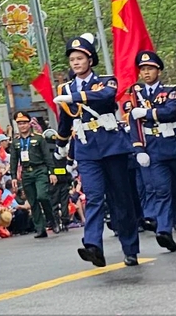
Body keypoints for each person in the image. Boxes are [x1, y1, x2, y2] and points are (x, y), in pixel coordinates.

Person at [51, 34, 141, 268]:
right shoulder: (66, 87)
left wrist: (75, 96)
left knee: (120, 199)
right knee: (93, 197)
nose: (76, 63)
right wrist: (60, 145)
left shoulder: (106, 81)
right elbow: (65, 120)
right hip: (86, 148)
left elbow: (106, 96)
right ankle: (93, 245)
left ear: (90, 60)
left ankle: (130, 248)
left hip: (111, 145)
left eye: (80, 58)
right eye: (72, 59)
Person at [127, 50, 176, 252]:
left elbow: (169, 113)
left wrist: (147, 113)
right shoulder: (136, 94)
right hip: (154, 148)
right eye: (143, 69)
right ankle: (164, 231)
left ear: (158, 70)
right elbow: (134, 123)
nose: (146, 73)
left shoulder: (171, 91)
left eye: (150, 68)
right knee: (161, 190)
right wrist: (139, 148)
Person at [9, 110, 59, 236]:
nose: (22, 126)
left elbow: (47, 156)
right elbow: (14, 160)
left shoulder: (38, 138)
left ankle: (52, 220)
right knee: (33, 201)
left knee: (42, 196)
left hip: (40, 170)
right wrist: (14, 177)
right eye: (19, 123)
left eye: (25, 123)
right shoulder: (15, 142)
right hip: (26, 173)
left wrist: (52, 172)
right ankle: (40, 228)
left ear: (29, 124)